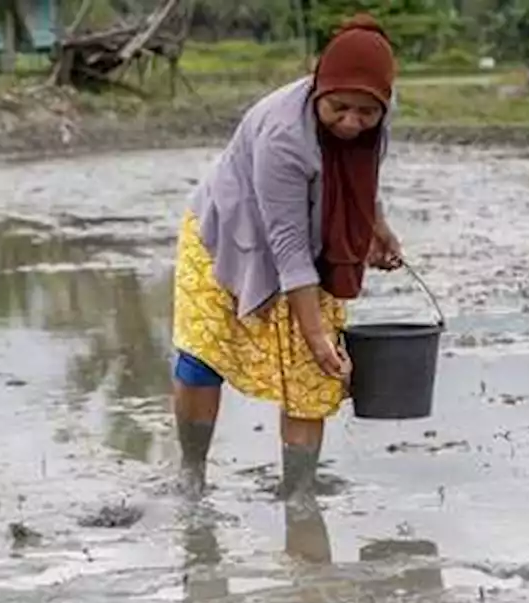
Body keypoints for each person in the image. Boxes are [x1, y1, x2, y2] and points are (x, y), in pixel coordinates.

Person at [171, 14, 404, 498]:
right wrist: (316, 333)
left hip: (312, 240)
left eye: (366, 113)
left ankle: (299, 494)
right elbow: (289, 248)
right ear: (320, 88)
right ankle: (191, 475)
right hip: (229, 233)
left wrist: (378, 227)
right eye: (339, 108)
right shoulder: (283, 135)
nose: (351, 123)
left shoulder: (378, 109)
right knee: (203, 355)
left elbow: (363, 177)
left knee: (311, 375)